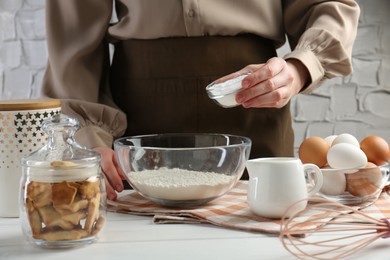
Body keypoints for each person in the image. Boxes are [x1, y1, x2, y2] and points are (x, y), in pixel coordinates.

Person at [41, 1, 360, 200]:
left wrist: (299, 67)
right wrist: (86, 137)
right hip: (139, 115)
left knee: (261, 237)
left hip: (253, 103)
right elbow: (72, 34)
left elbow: (327, 5)